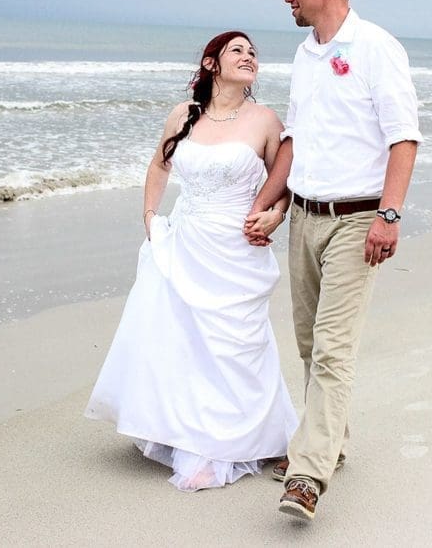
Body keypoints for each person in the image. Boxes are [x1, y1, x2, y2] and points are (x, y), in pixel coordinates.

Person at [244, 0, 422, 520]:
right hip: (305, 217)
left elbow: (403, 137)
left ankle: (309, 473)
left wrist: (389, 216)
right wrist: (264, 203)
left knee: (332, 351)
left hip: (357, 220)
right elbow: (293, 140)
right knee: (307, 343)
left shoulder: (376, 47)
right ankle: (332, 444)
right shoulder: (304, 55)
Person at [84, 31, 298, 492]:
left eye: (253, 52)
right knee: (182, 341)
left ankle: (240, 439)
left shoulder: (264, 120)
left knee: (236, 345)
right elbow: (160, 165)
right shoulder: (184, 115)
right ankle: (185, 431)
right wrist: (150, 217)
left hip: (236, 249)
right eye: (237, 50)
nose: (249, 57)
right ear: (211, 63)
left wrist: (275, 216)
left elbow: (286, 183)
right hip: (184, 240)